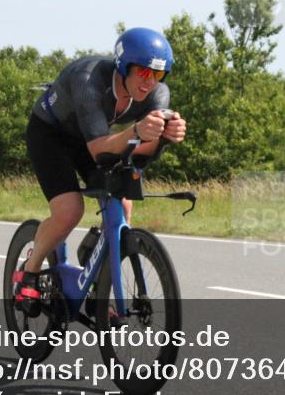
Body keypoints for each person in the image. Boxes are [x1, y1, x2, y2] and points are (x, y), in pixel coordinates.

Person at [16, 27, 187, 315]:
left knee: (123, 204)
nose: (150, 82)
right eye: (143, 72)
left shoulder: (157, 94)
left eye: (157, 74)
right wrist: (136, 131)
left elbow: (139, 151)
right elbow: (99, 150)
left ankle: (99, 287)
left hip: (92, 137)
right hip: (50, 135)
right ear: (123, 66)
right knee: (69, 211)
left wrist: (163, 139)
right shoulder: (88, 79)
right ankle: (29, 273)